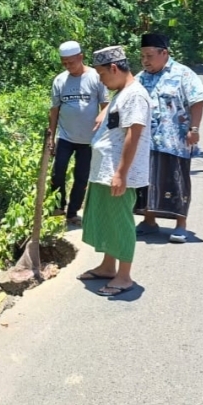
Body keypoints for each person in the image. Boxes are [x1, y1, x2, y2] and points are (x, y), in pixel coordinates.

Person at [78, 45, 151, 296]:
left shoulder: (135, 95)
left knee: (120, 222)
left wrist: (121, 173)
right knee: (107, 218)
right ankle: (108, 267)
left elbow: (134, 134)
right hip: (105, 170)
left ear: (114, 68)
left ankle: (124, 276)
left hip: (119, 172)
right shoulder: (123, 93)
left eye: (102, 74)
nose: (101, 80)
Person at [134, 32, 203, 243]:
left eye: (149, 56)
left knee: (177, 183)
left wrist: (194, 129)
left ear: (164, 53)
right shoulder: (140, 78)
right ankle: (149, 221)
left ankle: (180, 226)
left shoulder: (183, 74)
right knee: (147, 182)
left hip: (176, 142)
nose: (145, 61)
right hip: (147, 142)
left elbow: (197, 101)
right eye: (142, 56)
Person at [48, 40, 109, 225]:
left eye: (71, 62)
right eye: (64, 63)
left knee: (81, 177)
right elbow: (54, 110)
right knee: (57, 173)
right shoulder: (60, 80)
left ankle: (73, 213)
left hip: (89, 140)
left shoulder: (96, 77)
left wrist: (102, 125)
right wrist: (51, 137)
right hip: (65, 137)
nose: (68, 66)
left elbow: (106, 105)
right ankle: (58, 207)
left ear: (81, 57)